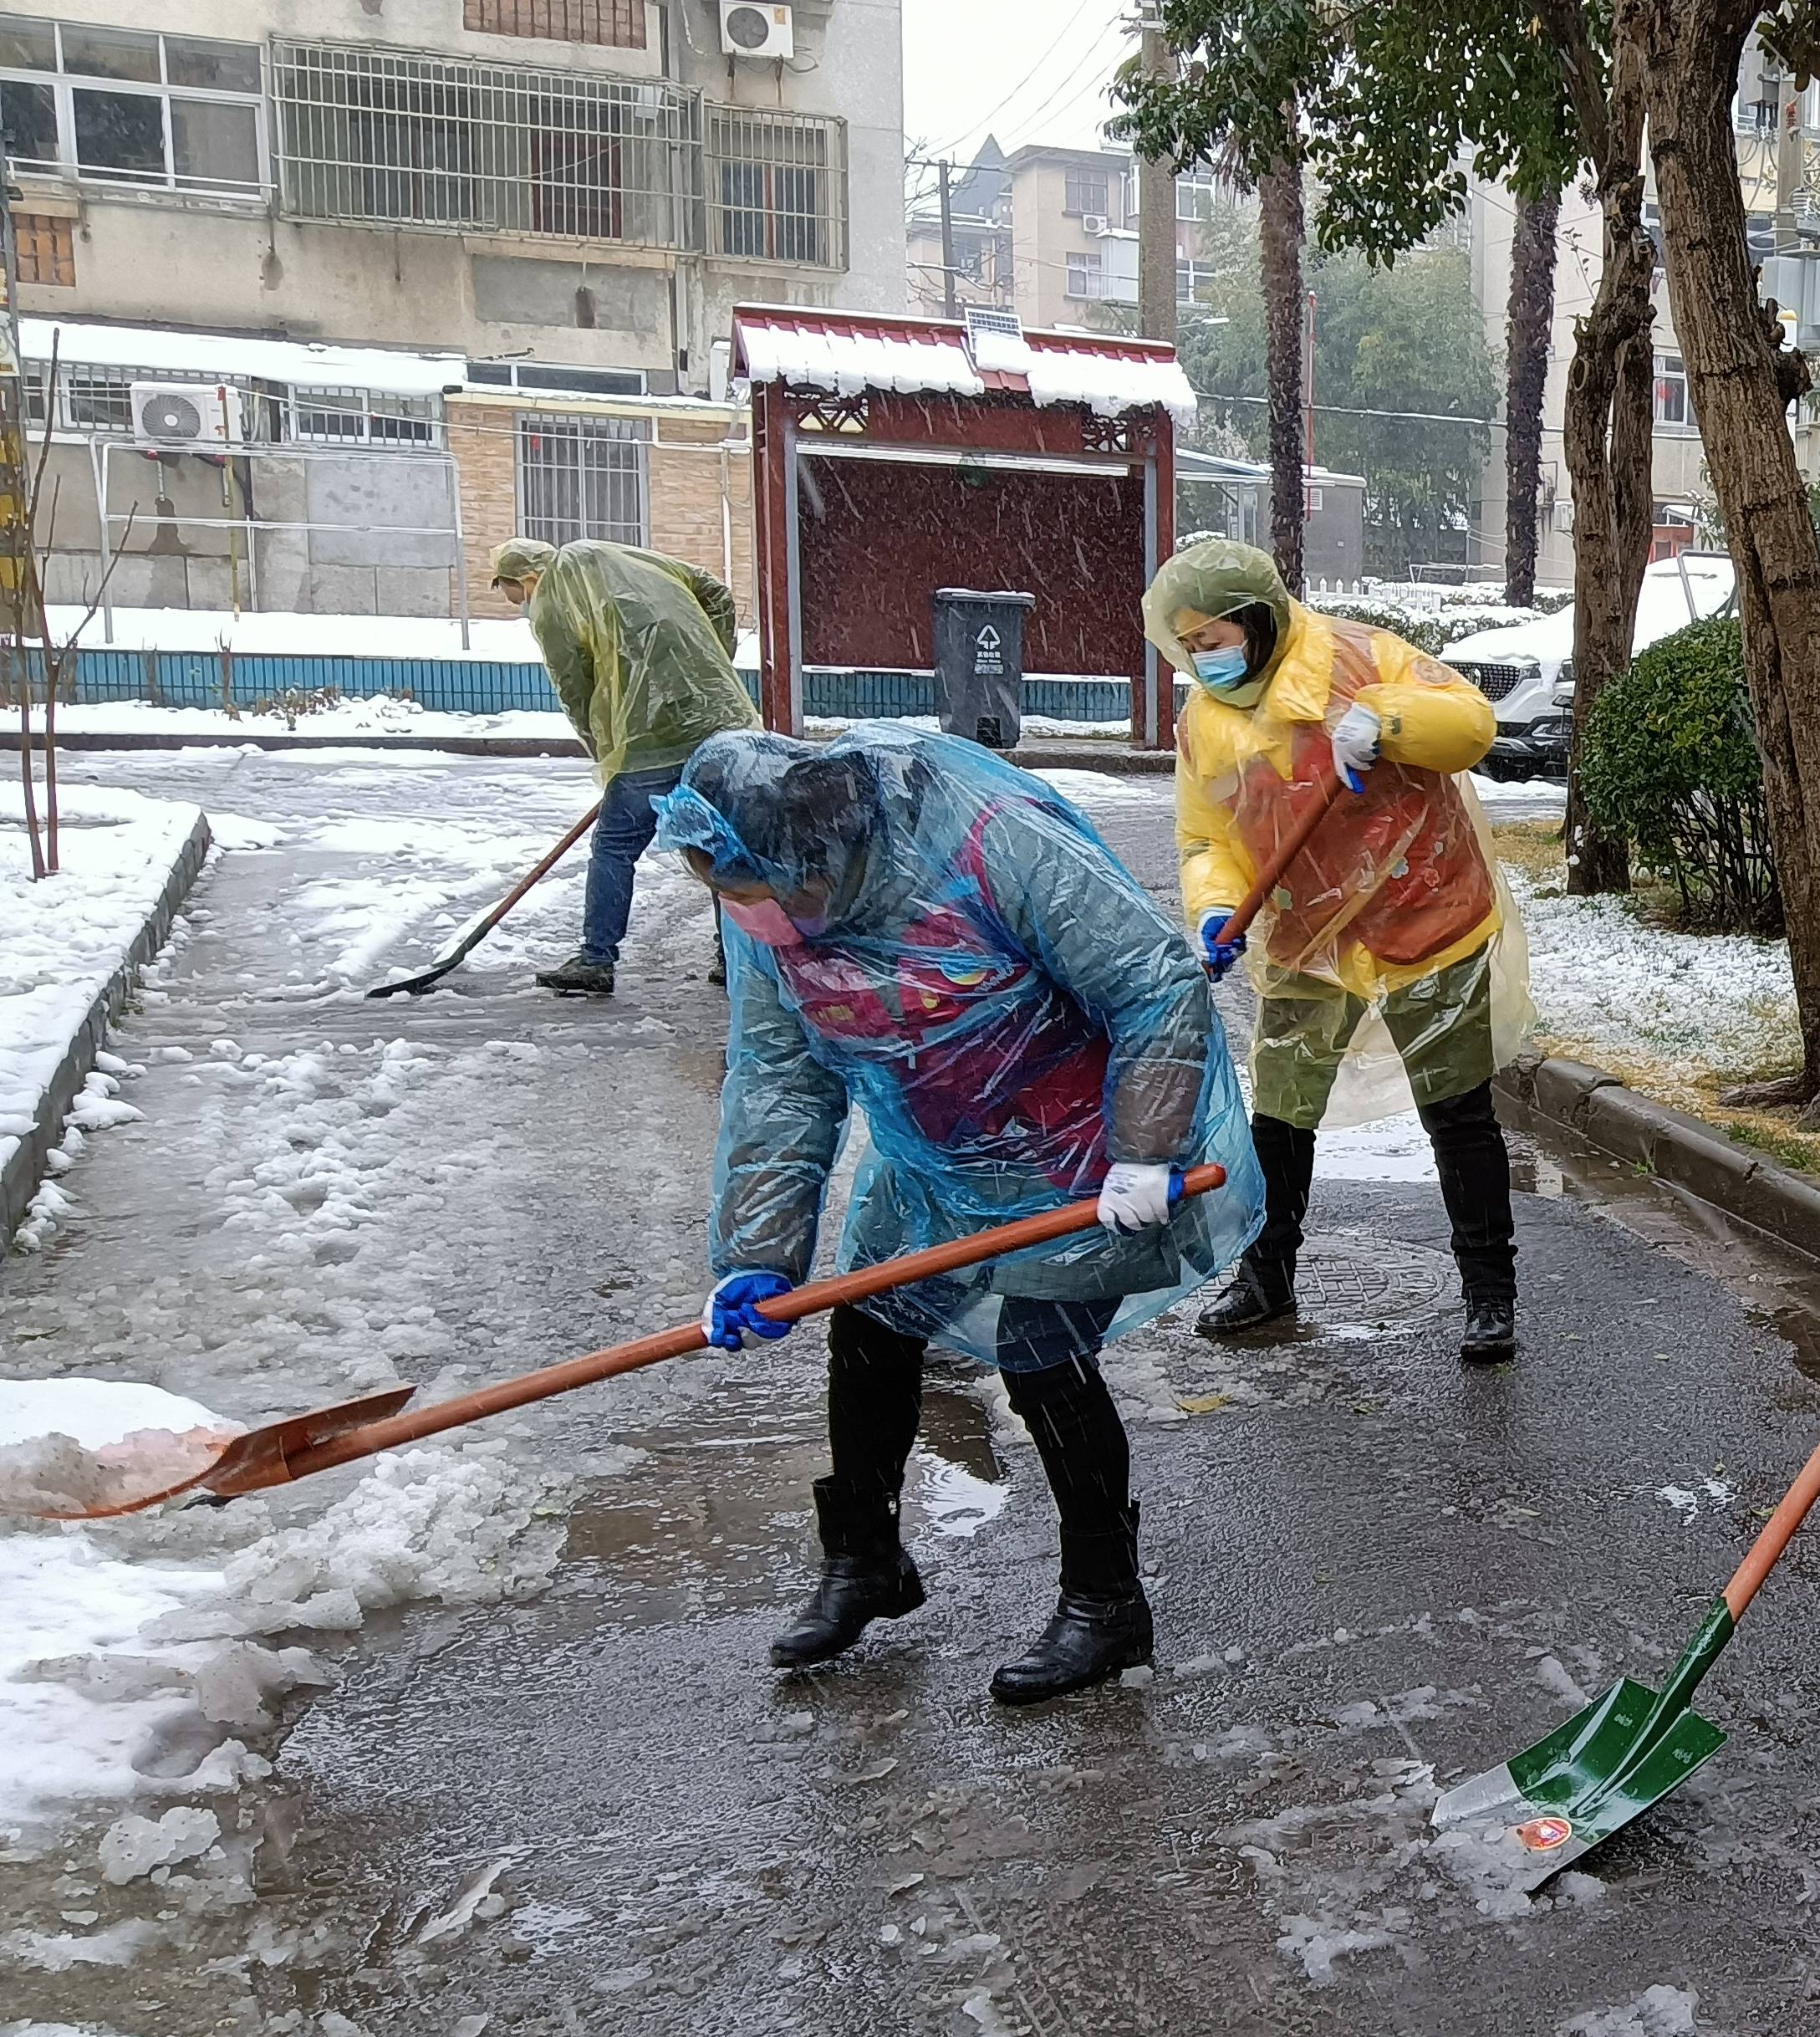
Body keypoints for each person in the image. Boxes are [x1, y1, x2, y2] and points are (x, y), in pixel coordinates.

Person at [662, 723, 1263, 1706]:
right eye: (733, 901)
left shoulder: (988, 841)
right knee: (870, 1330)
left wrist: (1146, 1147)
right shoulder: (756, 881)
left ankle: (1107, 1601)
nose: (755, 920)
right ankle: (865, 1560)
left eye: (765, 896)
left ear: (826, 852)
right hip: (930, 1154)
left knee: (1042, 1354)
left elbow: (1150, 983)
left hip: (1069, 1139)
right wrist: (757, 1251)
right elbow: (780, 1075)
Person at [1139, 538, 1532, 1363]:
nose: (1202, 659)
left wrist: (1385, 719)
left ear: (1257, 620)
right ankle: (1266, 1273)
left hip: (1426, 912)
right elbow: (1205, 835)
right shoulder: (1204, 722)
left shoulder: (1359, 657)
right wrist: (1215, 907)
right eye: (1191, 646)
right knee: (1280, 1109)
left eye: (1212, 640)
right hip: (1306, 932)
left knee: (1456, 1110)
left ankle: (1488, 1295)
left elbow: (1470, 723)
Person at [489, 536, 757, 998]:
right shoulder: (622, 558)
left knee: (615, 846)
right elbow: (715, 591)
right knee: (720, 843)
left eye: (515, 593)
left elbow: (573, 687)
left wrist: (604, 749)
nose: (520, 603)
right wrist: (711, 664)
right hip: (722, 724)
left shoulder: (552, 602)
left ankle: (596, 960)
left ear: (528, 577)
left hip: (650, 740)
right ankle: (734, 958)